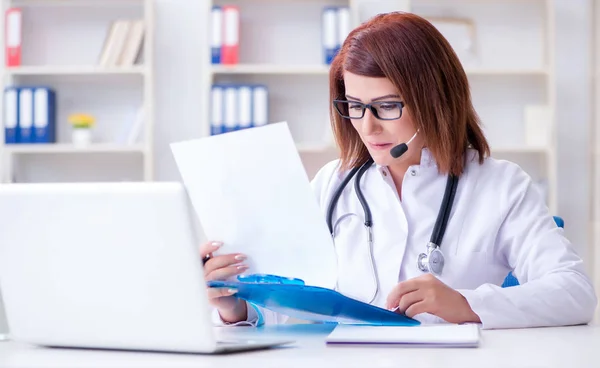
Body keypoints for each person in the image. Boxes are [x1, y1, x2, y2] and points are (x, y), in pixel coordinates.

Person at [201, 12, 597, 329]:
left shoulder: (501, 185)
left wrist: (466, 304)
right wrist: (238, 305)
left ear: (435, 100)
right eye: (353, 105)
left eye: (387, 106)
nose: (367, 126)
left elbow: (574, 292)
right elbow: (296, 303)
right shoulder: (332, 184)